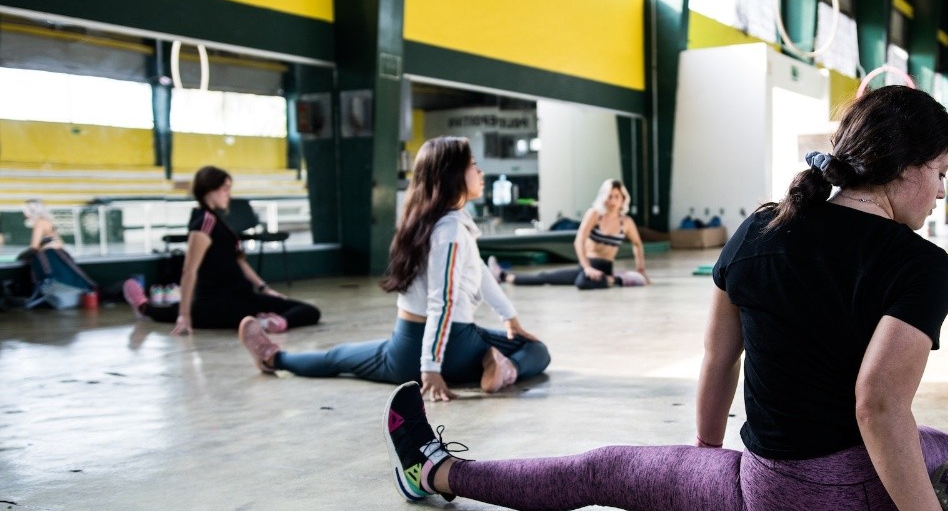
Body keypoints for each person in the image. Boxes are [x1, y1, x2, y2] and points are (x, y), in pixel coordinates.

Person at [381, 86, 948, 511]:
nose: (939, 191)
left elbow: (721, 356)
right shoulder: (923, 264)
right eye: (938, 173)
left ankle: (434, 471)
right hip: (882, 496)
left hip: (786, 509)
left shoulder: (763, 228)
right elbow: (881, 411)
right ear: (902, 169)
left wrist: (708, 456)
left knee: (603, 470)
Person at [239, 136, 550, 401]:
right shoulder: (451, 230)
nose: (480, 171)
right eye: (472, 165)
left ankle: (274, 357)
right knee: (536, 351)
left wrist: (509, 317)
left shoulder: (425, 223)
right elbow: (443, 302)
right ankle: (504, 367)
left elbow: (479, 271)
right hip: (451, 347)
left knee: (337, 357)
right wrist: (430, 366)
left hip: (405, 346)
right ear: (453, 174)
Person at [123, 166, 321, 335]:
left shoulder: (219, 222)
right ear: (210, 190)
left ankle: (273, 322)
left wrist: (265, 289)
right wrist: (185, 315)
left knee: (308, 311)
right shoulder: (204, 223)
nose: (229, 195)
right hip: (217, 303)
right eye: (225, 189)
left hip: (242, 299)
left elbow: (239, 261)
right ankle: (143, 305)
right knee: (170, 312)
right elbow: (189, 270)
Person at [490, 179, 649, 289]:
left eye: (617, 196)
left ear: (623, 199)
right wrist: (587, 267)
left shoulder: (626, 222)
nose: (613, 201)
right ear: (604, 197)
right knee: (546, 277)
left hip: (605, 268)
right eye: (610, 196)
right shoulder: (595, 214)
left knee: (582, 283)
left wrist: (641, 268)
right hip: (587, 265)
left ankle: (614, 279)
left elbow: (637, 244)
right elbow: (579, 240)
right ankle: (502, 276)